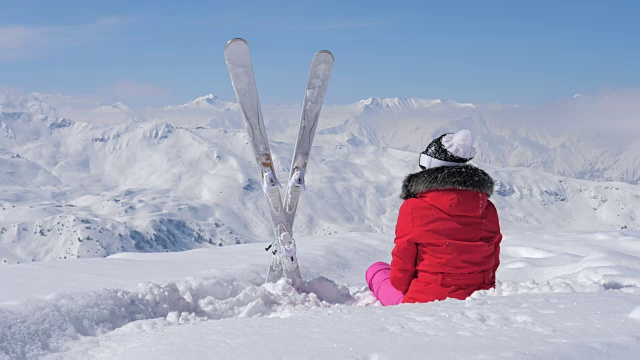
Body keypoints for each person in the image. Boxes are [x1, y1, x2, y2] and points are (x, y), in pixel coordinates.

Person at [366, 129, 502, 305]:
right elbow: (493, 258)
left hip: (426, 300)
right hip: (478, 295)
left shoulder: (414, 207)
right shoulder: (486, 207)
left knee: (376, 270)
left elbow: (400, 276)